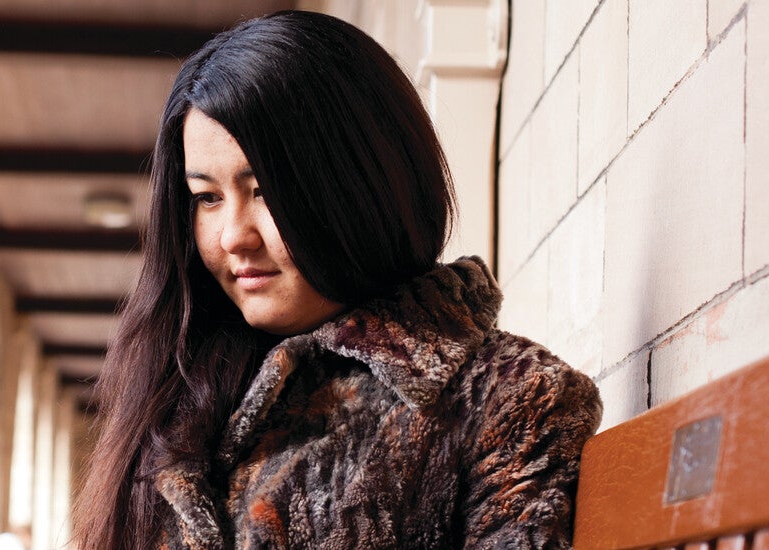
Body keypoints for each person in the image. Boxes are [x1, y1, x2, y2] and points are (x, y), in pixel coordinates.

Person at [72, 11, 603, 550]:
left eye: (264, 192)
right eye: (207, 198)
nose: (233, 236)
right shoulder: (183, 396)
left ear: (361, 187)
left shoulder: (507, 398)